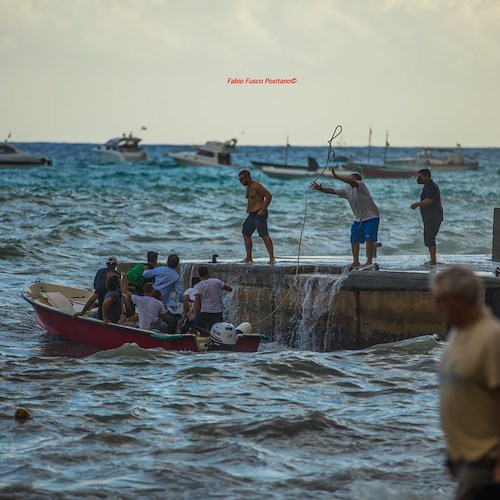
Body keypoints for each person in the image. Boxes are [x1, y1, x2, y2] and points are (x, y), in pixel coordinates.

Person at [433, 266, 500, 499]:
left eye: (441, 299)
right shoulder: (459, 335)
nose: (436, 306)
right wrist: (453, 454)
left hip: (486, 465)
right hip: (465, 461)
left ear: (460, 300)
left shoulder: (491, 338)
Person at [311, 168, 380, 270]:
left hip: (372, 217)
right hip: (358, 220)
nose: (349, 180)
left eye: (352, 179)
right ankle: (356, 262)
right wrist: (320, 189)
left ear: (358, 181)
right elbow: (332, 191)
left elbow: (352, 182)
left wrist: (337, 176)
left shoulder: (361, 186)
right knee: (354, 239)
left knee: (369, 239)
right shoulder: (347, 191)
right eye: (349, 179)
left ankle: (369, 261)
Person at [238, 169, 276, 265]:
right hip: (251, 215)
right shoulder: (247, 187)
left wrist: (263, 209)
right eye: (239, 180)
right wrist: (248, 208)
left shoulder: (256, 186)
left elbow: (268, 195)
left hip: (260, 214)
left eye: (242, 179)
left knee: (264, 235)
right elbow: (250, 199)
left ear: (247, 178)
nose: (240, 181)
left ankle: (272, 258)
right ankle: (249, 258)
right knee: (246, 233)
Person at [411, 168, 443, 267]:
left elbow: (429, 200)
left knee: (429, 238)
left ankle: (433, 261)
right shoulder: (428, 186)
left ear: (426, 176)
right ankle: (433, 260)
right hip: (431, 216)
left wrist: (417, 204)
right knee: (429, 237)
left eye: (420, 176)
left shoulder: (430, 186)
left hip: (433, 216)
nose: (418, 178)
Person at [190, 266, 232, 331]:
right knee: (218, 330)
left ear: (199, 275)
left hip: (205, 312)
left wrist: (194, 313)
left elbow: (197, 300)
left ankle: (203, 339)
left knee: (200, 329)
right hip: (217, 312)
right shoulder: (216, 281)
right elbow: (229, 289)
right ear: (207, 273)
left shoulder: (198, 285)